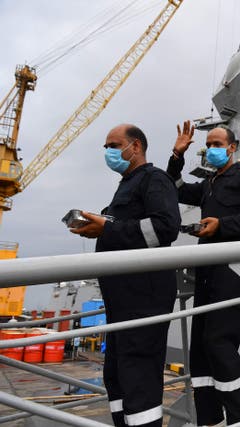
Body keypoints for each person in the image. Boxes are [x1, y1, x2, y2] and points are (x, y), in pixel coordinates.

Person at [71, 124, 180, 427]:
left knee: (139, 379)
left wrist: (106, 228)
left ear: (135, 147)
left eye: (114, 145)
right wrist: (98, 224)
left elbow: (165, 228)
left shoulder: (155, 179)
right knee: (117, 377)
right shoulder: (128, 184)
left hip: (143, 300)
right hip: (121, 302)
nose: (108, 152)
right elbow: (126, 229)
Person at [167, 121, 240, 426]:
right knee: (200, 347)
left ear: (232, 147)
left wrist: (222, 225)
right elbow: (176, 190)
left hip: (230, 270)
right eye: (208, 145)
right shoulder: (210, 182)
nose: (211, 149)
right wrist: (177, 156)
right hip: (205, 269)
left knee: (219, 342)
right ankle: (210, 420)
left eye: (216, 144)